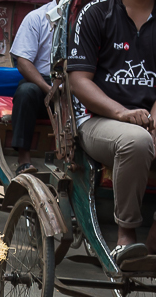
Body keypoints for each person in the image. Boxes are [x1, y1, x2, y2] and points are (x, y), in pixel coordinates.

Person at [68, 0, 156, 263]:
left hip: (149, 118)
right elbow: (78, 81)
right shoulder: (96, 12)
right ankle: (125, 234)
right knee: (137, 141)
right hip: (99, 120)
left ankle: (153, 239)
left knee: (144, 137)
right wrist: (121, 113)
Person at [9, 0, 56, 175]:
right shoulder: (37, 18)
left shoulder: (87, 19)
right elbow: (23, 63)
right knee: (26, 92)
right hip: (41, 82)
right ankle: (24, 158)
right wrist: (48, 89)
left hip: (76, 82)